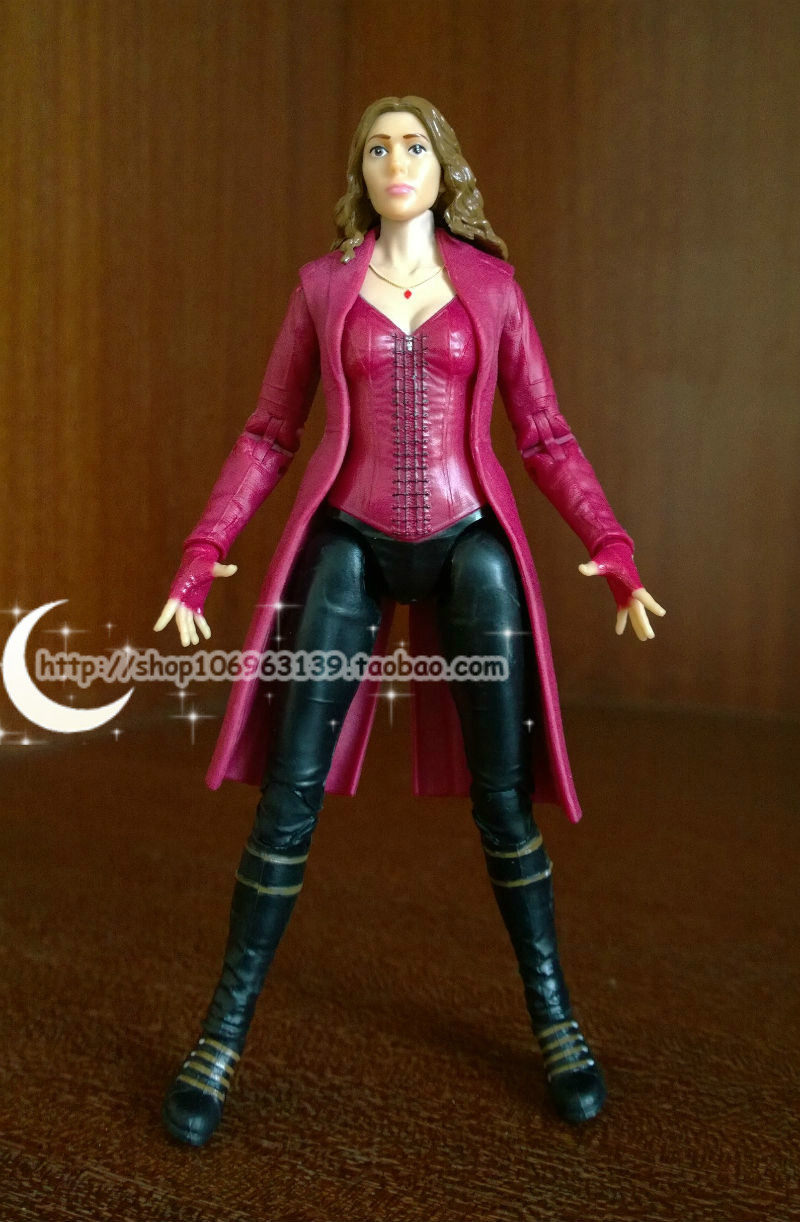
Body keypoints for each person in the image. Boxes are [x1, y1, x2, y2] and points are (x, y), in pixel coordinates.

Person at [155, 95, 664, 1147]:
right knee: (287, 798)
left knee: (503, 799)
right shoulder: (321, 286)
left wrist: (611, 548)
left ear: (443, 169)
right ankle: (219, 1037)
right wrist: (202, 554)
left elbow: (544, 432)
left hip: (469, 539)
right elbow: (269, 432)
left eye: (415, 145)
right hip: (349, 537)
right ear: (361, 170)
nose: (396, 160)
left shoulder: (491, 288)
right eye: (379, 147)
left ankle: (555, 1020)